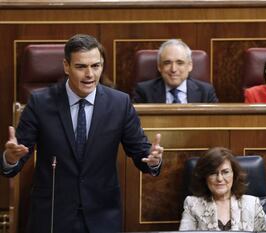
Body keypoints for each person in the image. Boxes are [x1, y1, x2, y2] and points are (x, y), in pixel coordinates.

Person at [1, 34, 164, 233]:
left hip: (102, 215)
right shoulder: (40, 103)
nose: (90, 74)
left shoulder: (119, 103)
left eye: (96, 66)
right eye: (81, 67)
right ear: (66, 66)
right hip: (52, 215)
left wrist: (153, 160)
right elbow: (17, 157)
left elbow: (140, 151)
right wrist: (10, 158)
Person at [179, 147, 266, 231]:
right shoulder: (192, 205)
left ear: (234, 174)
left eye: (225, 172)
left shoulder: (252, 204)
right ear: (205, 177)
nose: (220, 179)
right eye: (213, 173)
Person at [133, 39, 218, 103]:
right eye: (167, 63)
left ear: (189, 66)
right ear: (159, 67)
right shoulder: (144, 91)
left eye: (180, 63)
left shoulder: (206, 92)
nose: (173, 69)